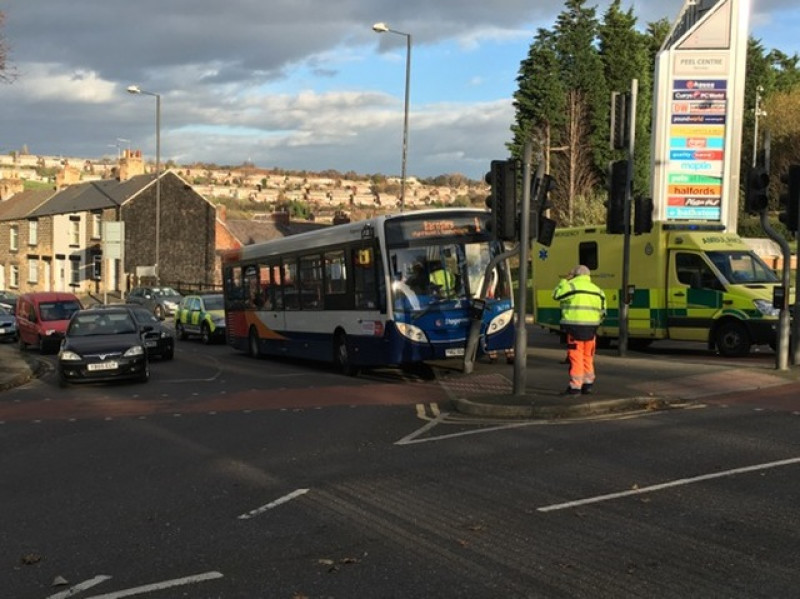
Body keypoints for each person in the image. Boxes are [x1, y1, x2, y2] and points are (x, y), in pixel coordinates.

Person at [552, 265, 606, 396]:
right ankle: (588, 384)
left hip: (575, 328)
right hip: (592, 328)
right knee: (588, 356)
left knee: (576, 356)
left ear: (575, 276)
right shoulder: (598, 291)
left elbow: (556, 295)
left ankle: (575, 388)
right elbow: (603, 312)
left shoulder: (571, 287)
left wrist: (564, 280)